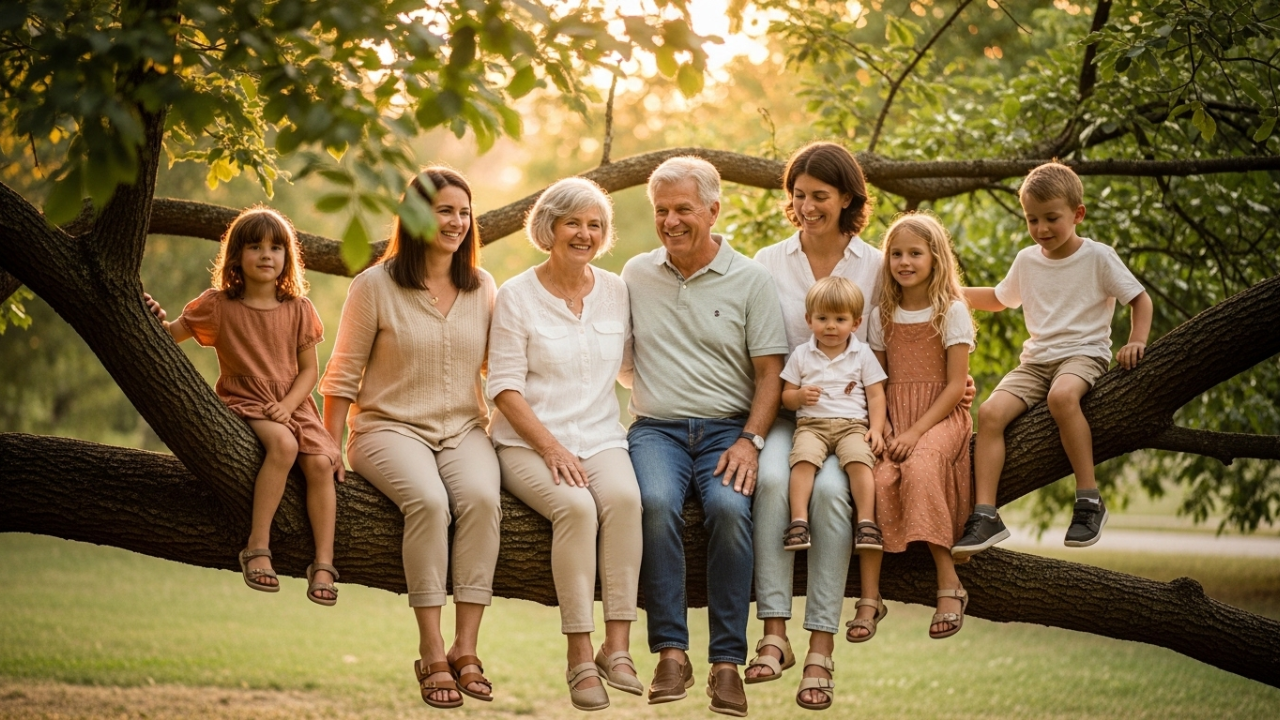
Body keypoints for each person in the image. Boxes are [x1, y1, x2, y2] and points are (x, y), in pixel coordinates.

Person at [320, 168, 501, 709]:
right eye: (445, 210)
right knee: (428, 501)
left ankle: (466, 648)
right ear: (416, 215)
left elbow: (501, 370)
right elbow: (342, 374)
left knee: (483, 500)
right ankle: (430, 648)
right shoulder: (374, 286)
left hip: (464, 429)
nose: (456, 222)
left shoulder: (483, 286)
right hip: (387, 428)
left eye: (464, 212)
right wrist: (329, 444)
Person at [621, 155, 787, 718]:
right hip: (656, 431)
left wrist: (750, 440)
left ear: (714, 211)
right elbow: (617, 356)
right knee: (657, 501)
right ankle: (670, 651)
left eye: (683, 209)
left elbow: (770, 375)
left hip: (727, 432)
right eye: (662, 210)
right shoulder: (635, 274)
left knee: (726, 509)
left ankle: (725, 663)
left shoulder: (751, 280)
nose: (670, 221)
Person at [486, 177, 643, 712]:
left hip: (601, 438)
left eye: (595, 224)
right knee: (576, 510)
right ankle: (579, 655)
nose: (585, 233)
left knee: (625, 501)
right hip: (527, 445)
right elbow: (503, 388)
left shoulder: (617, 290)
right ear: (548, 227)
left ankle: (617, 648)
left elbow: (629, 370)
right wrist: (551, 448)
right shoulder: (516, 296)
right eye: (573, 222)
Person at [143, 207, 342, 606]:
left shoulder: (299, 309)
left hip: (293, 404)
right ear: (236, 256)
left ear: (288, 258)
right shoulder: (218, 305)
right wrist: (152, 319)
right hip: (247, 399)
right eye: (255, 247)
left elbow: (308, 373)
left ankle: (323, 562)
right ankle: (257, 546)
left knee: (321, 464)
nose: (266, 255)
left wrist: (287, 406)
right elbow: (169, 337)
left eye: (275, 247)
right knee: (283, 446)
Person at [953, 161, 1152, 558]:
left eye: (1051, 218)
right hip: (1036, 361)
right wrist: (950, 291)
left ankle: (1089, 500)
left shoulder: (1098, 256)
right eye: (1032, 219)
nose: (1042, 229)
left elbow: (1139, 299)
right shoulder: (1027, 260)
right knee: (990, 413)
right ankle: (986, 513)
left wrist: (1136, 341)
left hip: (1083, 354)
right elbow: (998, 298)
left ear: (1077, 214)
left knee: (1062, 398)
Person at [747, 142, 886, 706]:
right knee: (775, 482)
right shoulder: (767, 262)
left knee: (832, 494)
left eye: (820, 196)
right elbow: (752, 351)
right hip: (787, 411)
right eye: (799, 195)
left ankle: (822, 646)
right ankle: (774, 634)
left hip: (852, 418)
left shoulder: (875, 264)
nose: (807, 206)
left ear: (848, 197)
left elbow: (890, 347)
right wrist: (785, 396)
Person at [868, 213, 976, 641]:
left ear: (935, 258)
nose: (904, 261)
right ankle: (872, 594)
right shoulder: (882, 315)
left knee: (922, 465)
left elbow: (954, 387)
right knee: (877, 477)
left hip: (942, 416)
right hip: (894, 417)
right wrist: (889, 429)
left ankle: (948, 582)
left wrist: (915, 433)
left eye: (915, 253)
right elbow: (878, 383)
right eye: (896, 253)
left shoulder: (952, 312)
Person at [780, 276, 887, 560]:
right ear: (808, 319)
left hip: (852, 426)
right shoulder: (802, 354)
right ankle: (799, 522)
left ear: (856, 323)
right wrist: (800, 396)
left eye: (840, 319)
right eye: (822, 318)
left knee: (859, 461)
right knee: (802, 460)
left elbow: (876, 395)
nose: (830, 326)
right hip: (811, 427)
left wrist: (876, 429)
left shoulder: (861, 354)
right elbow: (786, 395)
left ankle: (866, 522)